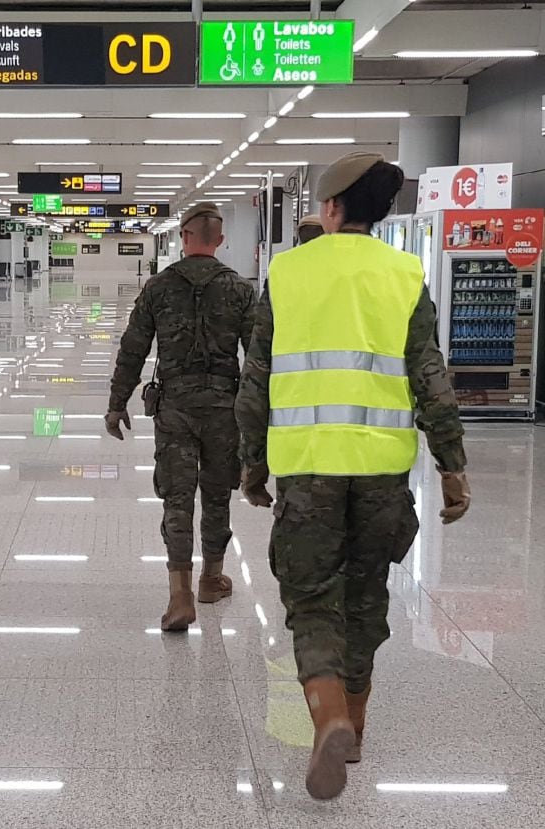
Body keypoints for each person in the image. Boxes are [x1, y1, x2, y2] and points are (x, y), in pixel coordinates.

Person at [236, 152, 471, 801]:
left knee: (312, 599)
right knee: (365, 597)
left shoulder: (288, 272)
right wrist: (452, 465)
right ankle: (357, 726)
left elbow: (256, 378)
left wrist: (252, 463)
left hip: (307, 466)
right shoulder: (404, 273)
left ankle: (329, 715)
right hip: (381, 471)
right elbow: (430, 376)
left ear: (332, 207)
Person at [106, 202, 257, 631]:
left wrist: (117, 403)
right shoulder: (240, 289)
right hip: (224, 408)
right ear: (220, 240)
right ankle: (211, 579)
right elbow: (257, 359)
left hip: (174, 407)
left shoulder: (158, 287)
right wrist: (259, 417)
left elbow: (133, 348)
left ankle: (179, 596)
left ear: (184, 237)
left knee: (177, 497)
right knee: (217, 495)